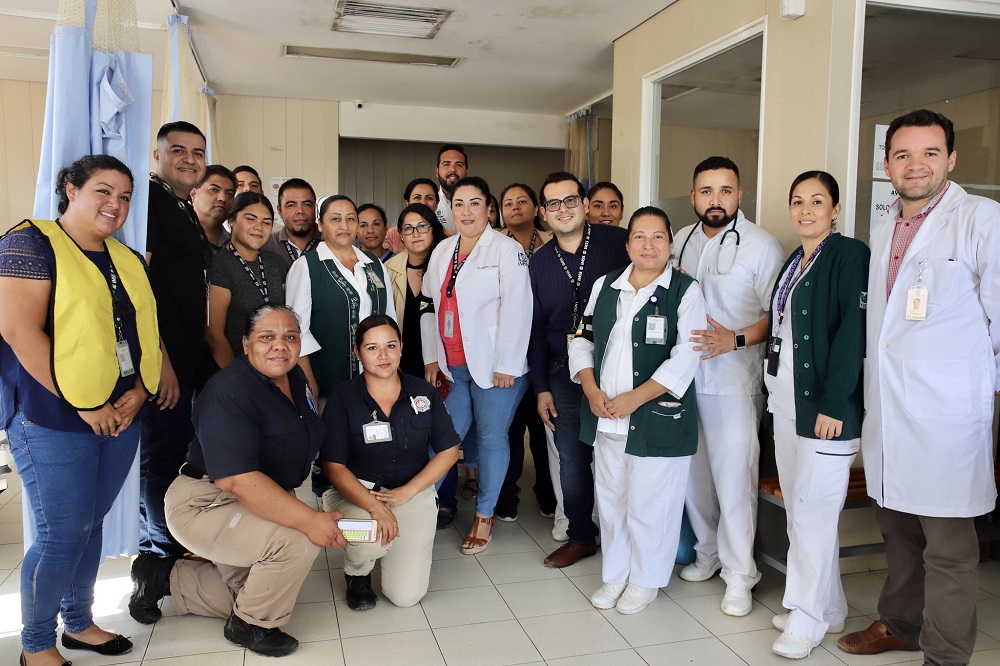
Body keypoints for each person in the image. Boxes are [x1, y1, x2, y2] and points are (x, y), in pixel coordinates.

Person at [838, 109, 1000, 666]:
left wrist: (980, 391)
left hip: (947, 414)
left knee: (948, 548)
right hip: (891, 407)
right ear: (887, 164)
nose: (916, 165)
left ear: (950, 159)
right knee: (898, 529)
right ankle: (902, 625)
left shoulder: (980, 219)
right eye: (903, 154)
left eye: (930, 153)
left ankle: (945, 656)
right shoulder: (885, 225)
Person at [0, 155, 161, 665]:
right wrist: (84, 404)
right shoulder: (29, 244)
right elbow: (19, 330)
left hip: (120, 411)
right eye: (103, 191)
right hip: (51, 416)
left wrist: (142, 390)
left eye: (125, 196)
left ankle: (78, 621)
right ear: (70, 190)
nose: (116, 204)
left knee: (90, 523)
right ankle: (35, 645)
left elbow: (139, 332)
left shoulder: (126, 257)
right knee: (61, 533)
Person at [130, 305, 347, 657]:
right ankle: (249, 626)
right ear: (246, 344)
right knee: (297, 540)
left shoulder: (293, 377)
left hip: (255, 496)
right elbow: (238, 481)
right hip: (206, 502)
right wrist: (310, 520)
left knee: (257, 591)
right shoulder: (228, 392)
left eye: (290, 337)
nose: (280, 345)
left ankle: (161, 576)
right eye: (267, 337)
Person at [570, 206, 706, 615]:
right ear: (628, 244)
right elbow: (582, 338)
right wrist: (590, 388)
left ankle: (646, 580)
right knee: (612, 503)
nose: (649, 245)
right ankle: (615, 573)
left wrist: (635, 398)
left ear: (670, 244)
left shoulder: (685, 290)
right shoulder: (606, 285)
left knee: (651, 505)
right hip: (606, 414)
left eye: (658, 236)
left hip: (655, 416)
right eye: (640, 237)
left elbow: (687, 356)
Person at [763, 171, 868, 659]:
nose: (806, 210)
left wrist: (835, 402)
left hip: (826, 412)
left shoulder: (849, 255)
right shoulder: (794, 259)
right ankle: (829, 607)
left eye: (817, 201)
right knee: (800, 514)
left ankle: (805, 619)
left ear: (835, 209)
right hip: (787, 406)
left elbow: (852, 331)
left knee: (814, 517)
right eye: (798, 201)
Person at [673, 156, 785, 617]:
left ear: (739, 195)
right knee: (694, 478)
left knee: (734, 481)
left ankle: (741, 575)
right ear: (694, 196)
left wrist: (734, 338)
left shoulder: (762, 245)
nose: (715, 199)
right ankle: (708, 553)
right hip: (683, 380)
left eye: (724, 190)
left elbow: (777, 316)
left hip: (735, 383)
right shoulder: (680, 240)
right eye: (706, 191)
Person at [421, 176, 532, 554]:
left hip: (496, 367)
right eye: (459, 204)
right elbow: (428, 305)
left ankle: (485, 516)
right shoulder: (442, 250)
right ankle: (416, 508)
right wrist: (431, 355)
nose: (466, 211)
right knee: (446, 438)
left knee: (490, 437)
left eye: (474, 203)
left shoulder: (506, 250)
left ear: (489, 209)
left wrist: (508, 363)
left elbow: (519, 309)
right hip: (453, 365)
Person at [321, 314, 460, 610]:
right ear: (357, 352)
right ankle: (357, 572)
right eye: (372, 348)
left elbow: (449, 450)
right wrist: (375, 507)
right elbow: (334, 466)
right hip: (356, 494)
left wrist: (407, 492)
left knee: (406, 597)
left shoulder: (423, 392)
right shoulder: (342, 397)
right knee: (370, 536)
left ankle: (386, 547)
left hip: (409, 492)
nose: (383, 356)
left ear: (401, 349)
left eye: (390, 346)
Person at [530, 171, 629, 566]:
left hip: (618, 368)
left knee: (622, 456)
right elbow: (534, 330)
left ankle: (628, 537)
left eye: (570, 200)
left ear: (585, 204)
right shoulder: (538, 263)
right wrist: (541, 387)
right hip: (562, 372)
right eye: (553, 203)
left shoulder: (619, 243)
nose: (563, 209)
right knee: (572, 458)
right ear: (543, 213)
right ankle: (581, 536)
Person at [139, 120, 210, 577]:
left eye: (197, 152)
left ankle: (173, 542)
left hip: (186, 357)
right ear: (158, 155)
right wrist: (161, 359)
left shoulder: (180, 206)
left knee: (178, 450)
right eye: (178, 150)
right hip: (164, 361)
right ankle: (159, 553)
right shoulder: (150, 203)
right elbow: (140, 288)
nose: (189, 159)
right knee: (162, 456)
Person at [286, 194, 396, 398]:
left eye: (351, 219)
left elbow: (390, 319)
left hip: (377, 377)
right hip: (328, 378)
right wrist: (309, 382)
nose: (344, 225)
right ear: (320, 224)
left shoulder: (374, 263)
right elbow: (297, 331)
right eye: (335, 219)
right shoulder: (306, 266)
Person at [495, 182, 555, 522]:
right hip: (508, 352)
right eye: (508, 203)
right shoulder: (493, 245)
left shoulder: (553, 242)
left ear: (536, 208)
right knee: (510, 428)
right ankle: (507, 493)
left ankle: (547, 491)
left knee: (545, 425)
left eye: (522, 201)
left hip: (545, 348)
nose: (515, 207)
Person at [206, 192, 289, 368]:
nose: (259, 227)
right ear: (232, 221)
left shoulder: (275, 262)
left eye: (266, 222)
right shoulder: (221, 264)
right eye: (250, 219)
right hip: (237, 367)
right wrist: (238, 377)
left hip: (276, 363)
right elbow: (213, 335)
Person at [383, 203, 447, 378]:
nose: (415, 234)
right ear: (401, 235)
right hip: (401, 364)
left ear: (433, 229)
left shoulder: (447, 265)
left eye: (422, 226)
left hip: (443, 361)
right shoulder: (388, 269)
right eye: (408, 228)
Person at [263, 178, 322, 270]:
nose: (300, 211)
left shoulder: (330, 241)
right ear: (280, 211)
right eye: (291, 205)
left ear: (315, 209)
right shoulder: (266, 244)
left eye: (307, 204)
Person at [383, 177, 441, 256]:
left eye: (429, 198)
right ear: (407, 202)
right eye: (417, 197)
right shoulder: (392, 235)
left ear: (437, 203)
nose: (423, 203)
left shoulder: (448, 237)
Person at [189, 165, 237, 250]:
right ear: (193, 194)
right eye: (214, 190)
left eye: (229, 194)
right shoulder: (174, 233)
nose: (223, 198)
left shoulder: (234, 245)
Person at [434, 144, 468, 234]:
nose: (453, 169)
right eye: (446, 164)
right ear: (437, 171)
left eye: (459, 165)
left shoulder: (480, 204)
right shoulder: (430, 203)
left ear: (466, 171)